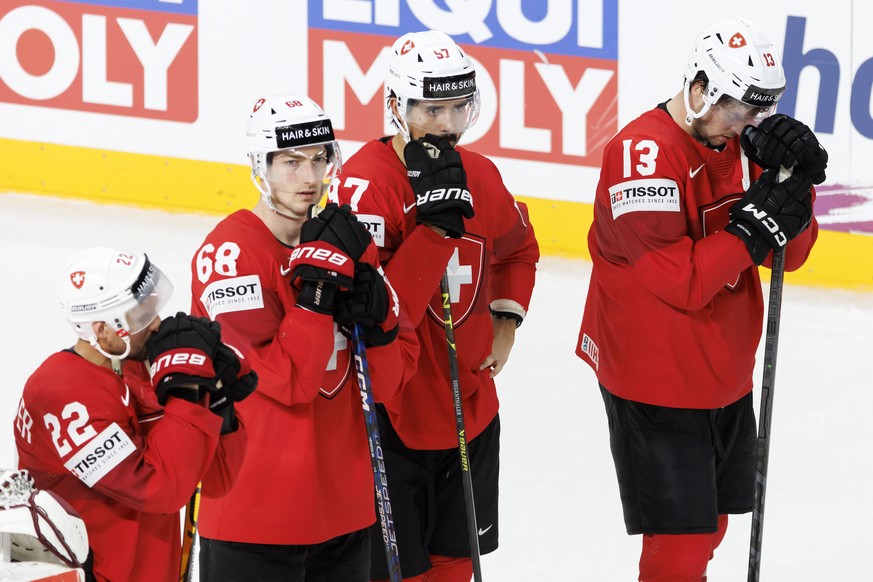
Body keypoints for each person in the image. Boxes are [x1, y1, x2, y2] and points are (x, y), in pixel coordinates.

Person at [575, 18, 828, 581]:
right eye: (738, 110)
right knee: (681, 543)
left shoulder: (741, 142)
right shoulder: (641, 152)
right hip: (655, 376)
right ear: (699, 89)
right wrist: (752, 231)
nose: (746, 126)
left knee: (711, 525)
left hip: (722, 370)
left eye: (757, 114)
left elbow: (796, 251)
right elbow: (679, 280)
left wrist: (796, 185)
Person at [331, 30, 540, 581]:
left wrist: (507, 320)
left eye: (458, 107)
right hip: (391, 416)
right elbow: (374, 310)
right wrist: (433, 232)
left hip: (468, 410)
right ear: (397, 106)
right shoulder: (366, 184)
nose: (448, 125)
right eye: (432, 108)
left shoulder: (482, 175)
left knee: (455, 567)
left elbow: (519, 248)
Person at [190, 94, 417, 581]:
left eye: (319, 160)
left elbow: (392, 385)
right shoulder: (228, 256)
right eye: (291, 162)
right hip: (254, 518)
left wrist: (379, 329)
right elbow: (288, 381)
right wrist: (314, 298)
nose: (310, 178)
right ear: (260, 165)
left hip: (346, 514)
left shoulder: (350, 243)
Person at [13, 247, 253, 581]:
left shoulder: (138, 370)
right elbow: (160, 490)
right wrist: (186, 392)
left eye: (151, 310)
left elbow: (216, 481)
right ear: (101, 330)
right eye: (139, 317)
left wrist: (214, 400)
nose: (156, 324)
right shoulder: (62, 393)